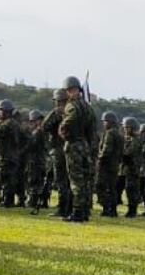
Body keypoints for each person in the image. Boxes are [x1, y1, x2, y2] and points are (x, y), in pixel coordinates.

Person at [58, 76, 96, 222]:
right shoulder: (87, 106)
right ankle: (85, 211)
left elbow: (71, 117)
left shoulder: (71, 105)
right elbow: (92, 128)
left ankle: (77, 212)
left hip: (74, 144)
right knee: (85, 180)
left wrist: (62, 128)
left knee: (76, 180)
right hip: (85, 145)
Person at [42, 89, 71, 218]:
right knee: (69, 181)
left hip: (58, 150)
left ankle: (62, 208)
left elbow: (44, 126)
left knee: (61, 181)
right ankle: (69, 207)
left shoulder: (58, 112)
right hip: (70, 150)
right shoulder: (73, 111)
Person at [0, 99, 22, 208]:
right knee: (6, 179)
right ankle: (6, 200)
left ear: (5, 111)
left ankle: (7, 201)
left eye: (1, 110)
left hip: (8, 156)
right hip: (8, 155)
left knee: (7, 179)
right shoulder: (11, 122)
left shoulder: (9, 123)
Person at [96, 110, 122, 217]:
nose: (104, 123)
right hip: (114, 165)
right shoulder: (119, 134)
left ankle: (106, 208)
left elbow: (107, 150)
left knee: (101, 186)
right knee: (112, 188)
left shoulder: (110, 133)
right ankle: (113, 209)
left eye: (105, 121)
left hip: (106, 165)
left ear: (110, 122)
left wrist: (99, 159)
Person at [25, 110, 47, 213]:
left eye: (32, 121)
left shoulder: (37, 132)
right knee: (40, 182)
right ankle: (42, 202)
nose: (31, 124)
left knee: (33, 181)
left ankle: (32, 201)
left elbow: (31, 146)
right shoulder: (44, 131)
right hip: (41, 160)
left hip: (35, 160)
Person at [120, 116, 142, 218]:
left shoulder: (136, 140)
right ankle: (131, 210)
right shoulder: (130, 139)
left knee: (131, 189)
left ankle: (132, 211)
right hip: (129, 168)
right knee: (129, 189)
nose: (124, 130)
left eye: (126, 128)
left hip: (133, 168)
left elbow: (128, 153)